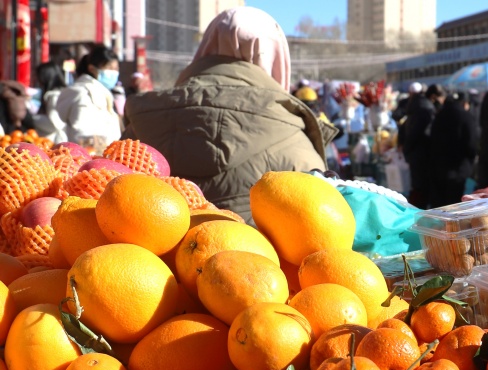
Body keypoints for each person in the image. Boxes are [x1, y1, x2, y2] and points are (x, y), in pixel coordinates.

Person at [124, 7, 336, 223]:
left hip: (149, 256)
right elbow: (319, 225)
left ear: (206, 45)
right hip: (254, 255)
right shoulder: (292, 134)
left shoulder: (141, 125)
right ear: (275, 56)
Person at [55, 45, 122, 146]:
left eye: (116, 68)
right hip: (91, 157)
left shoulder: (101, 92)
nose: (114, 72)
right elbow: (82, 135)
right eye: (109, 68)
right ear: (91, 68)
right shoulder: (83, 94)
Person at [429, 92, 479, 207]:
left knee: (440, 205)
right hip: (458, 168)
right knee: (455, 204)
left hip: (438, 167)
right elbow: (471, 144)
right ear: (464, 103)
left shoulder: (439, 115)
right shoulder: (466, 117)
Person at [402, 84, 445, 209]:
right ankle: (416, 217)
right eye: (441, 98)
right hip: (421, 155)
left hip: (416, 153)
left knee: (418, 187)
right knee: (421, 189)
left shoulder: (417, 105)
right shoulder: (426, 110)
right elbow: (418, 133)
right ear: (433, 96)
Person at [33, 62, 68, 142]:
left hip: (52, 141)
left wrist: (31, 119)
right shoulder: (63, 92)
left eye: (37, 75)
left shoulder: (53, 96)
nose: (36, 79)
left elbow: (54, 123)